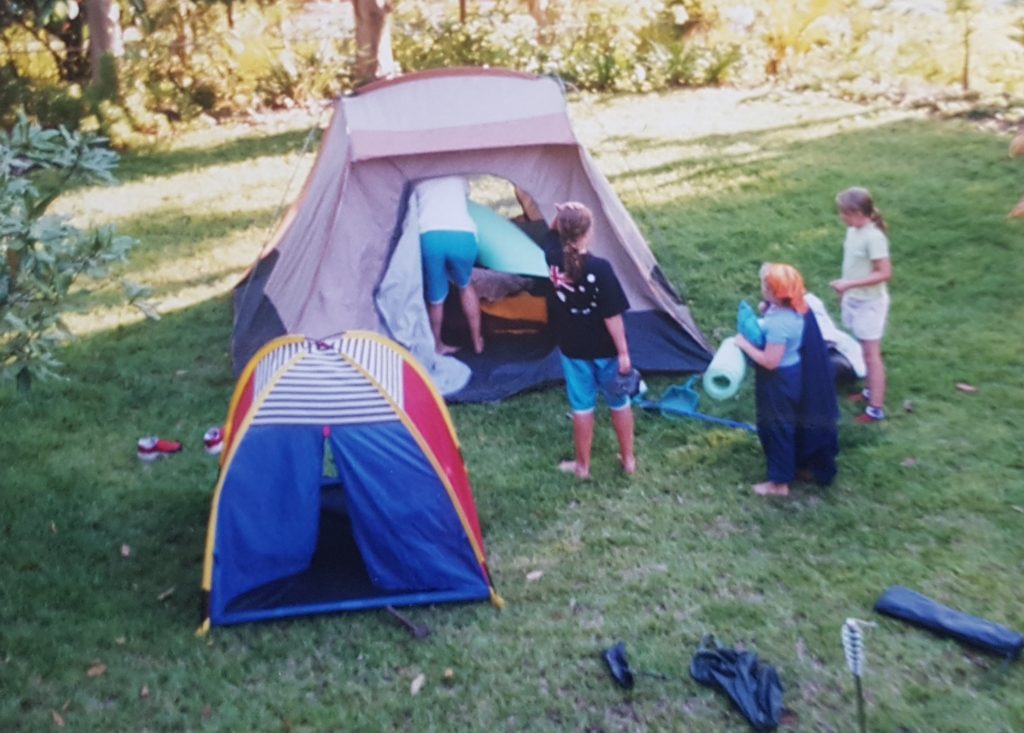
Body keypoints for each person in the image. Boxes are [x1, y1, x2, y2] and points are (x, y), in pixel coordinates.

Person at [545, 201, 636, 479]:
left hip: (573, 348)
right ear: (589, 232)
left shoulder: (551, 258)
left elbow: (551, 236)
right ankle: (628, 461)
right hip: (605, 349)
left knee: (582, 406)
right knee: (619, 402)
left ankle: (583, 466)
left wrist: (559, 216)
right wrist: (623, 352)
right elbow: (612, 317)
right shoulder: (601, 269)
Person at [734, 263, 839, 497]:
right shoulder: (797, 309)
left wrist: (743, 344)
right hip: (793, 373)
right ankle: (797, 466)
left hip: (777, 379)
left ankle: (779, 483)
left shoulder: (780, 324)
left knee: (776, 426)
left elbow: (770, 360)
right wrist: (768, 308)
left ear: (773, 292)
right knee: (786, 423)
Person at [830, 187, 891, 423]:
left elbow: (884, 273)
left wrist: (850, 285)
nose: (841, 217)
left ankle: (875, 408)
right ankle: (868, 391)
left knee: (871, 354)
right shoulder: (853, 230)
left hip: (870, 303)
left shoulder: (874, 237)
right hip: (855, 298)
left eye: (844, 213)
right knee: (864, 349)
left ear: (856, 212)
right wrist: (846, 290)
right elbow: (853, 264)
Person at [414, 175, 484, 355]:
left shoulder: (418, 178)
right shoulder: (459, 177)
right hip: (462, 235)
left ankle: (437, 345)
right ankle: (477, 341)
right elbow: (466, 196)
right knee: (466, 285)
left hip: (430, 236)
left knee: (436, 296)